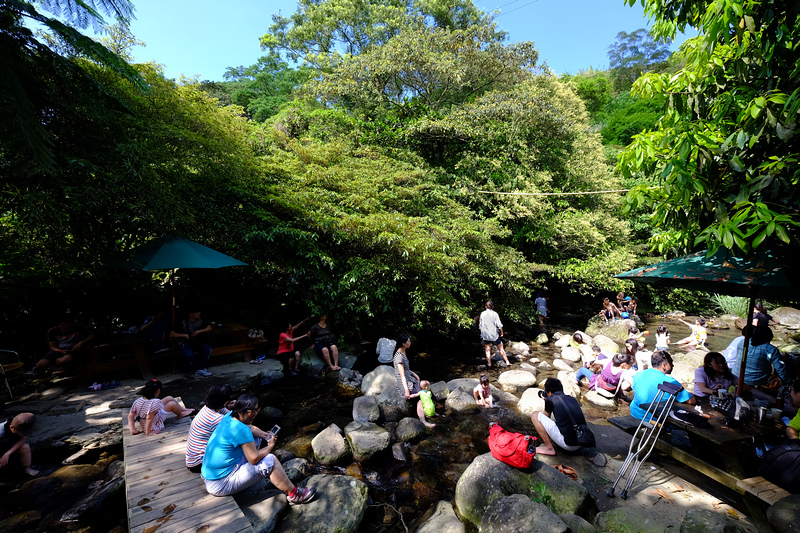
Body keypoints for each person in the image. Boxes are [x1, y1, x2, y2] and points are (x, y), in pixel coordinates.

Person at [201, 393, 316, 503]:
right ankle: (294, 494)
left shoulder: (229, 417)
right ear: (241, 411)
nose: (255, 414)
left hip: (213, 476)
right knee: (270, 460)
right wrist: (270, 446)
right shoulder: (241, 430)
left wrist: (265, 435)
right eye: (252, 411)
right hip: (221, 484)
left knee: (256, 439)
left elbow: (250, 428)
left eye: (257, 409)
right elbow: (254, 459)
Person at [186, 384, 270, 473]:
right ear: (225, 401)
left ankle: (254, 456)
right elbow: (241, 427)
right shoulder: (216, 419)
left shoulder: (210, 409)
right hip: (200, 462)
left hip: (193, 458)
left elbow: (234, 418)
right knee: (252, 440)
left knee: (248, 438)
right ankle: (254, 460)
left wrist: (237, 406)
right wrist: (265, 436)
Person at [630, 350, 695, 421]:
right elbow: (691, 401)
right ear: (664, 365)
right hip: (652, 417)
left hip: (635, 411)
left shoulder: (639, 374)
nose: (673, 365)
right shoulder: (669, 381)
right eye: (671, 363)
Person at [530, 378, 588, 456]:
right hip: (582, 441)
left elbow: (544, 419)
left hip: (569, 445)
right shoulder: (572, 399)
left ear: (549, 392)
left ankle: (549, 448)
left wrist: (547, 401)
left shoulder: (550, 399)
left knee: (535, 415)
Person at [393, 333, 435, 428]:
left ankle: (428, 411)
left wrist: (414, 373)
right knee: (422, 396)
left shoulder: (404, 351)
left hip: (410, 379)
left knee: (426, 383)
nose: (410, 342)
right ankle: (424, 421)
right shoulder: (398, 357)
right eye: (408, 341)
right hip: (405, 383)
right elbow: (402, 375)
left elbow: (406, 369)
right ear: (403, 343)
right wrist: (407, 391)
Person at [128, 379, 194, 436]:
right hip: (154, 423)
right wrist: (148, 432)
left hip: (147, 419)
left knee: (169, 398)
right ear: (158, 391)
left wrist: (132, 429)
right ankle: (180, 414)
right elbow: (149, 418)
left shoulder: (138, 400)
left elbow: (131, 415)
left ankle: (183, 410)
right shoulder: (155, 402)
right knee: (172, 404)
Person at [171, 307, 213, 377]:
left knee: (208, 349)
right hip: (184, 343)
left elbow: (209, 328)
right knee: (189, 355)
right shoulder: (182, 322)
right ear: (191, 314)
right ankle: (194, 369)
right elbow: (172, 334)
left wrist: (200, 331)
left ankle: (200, 368)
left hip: (196, 342)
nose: (199, 313)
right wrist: (184, 335)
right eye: (197, 312)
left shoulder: (200, 320)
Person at [478, 301, 509, 367]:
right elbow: (499, 325)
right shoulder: (495, 314)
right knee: (501, 348)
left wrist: (482, 333)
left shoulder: (482, 314)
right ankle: (507, 362)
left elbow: (480, 325)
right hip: (494, 335)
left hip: (485, 335)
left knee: (487, 349)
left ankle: (489, 363)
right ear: (493, 307)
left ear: (485, 306)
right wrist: (501, 332)